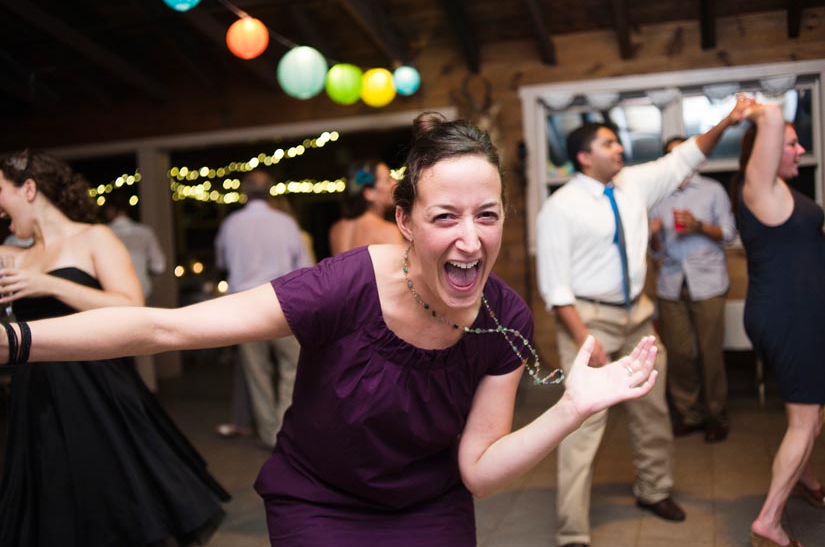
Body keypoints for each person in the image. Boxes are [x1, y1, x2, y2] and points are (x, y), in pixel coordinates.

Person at [0, 114, 660, 546]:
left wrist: (571, 407)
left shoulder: (504, 319)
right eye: (445, 217)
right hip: (320, 504)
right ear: (404, 220)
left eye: (486, 215)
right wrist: (19, 341)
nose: (469, 237)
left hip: (430, 508)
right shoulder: (343, 286)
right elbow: (165, 328)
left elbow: (480, 472)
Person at [536, 97, 752, 547]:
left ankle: (654, 491)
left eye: (618, 143)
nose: (620, 150)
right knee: (582, 423)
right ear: (583, 156)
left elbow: (687, 156)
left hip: (637, 313)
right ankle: (572, 531)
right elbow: (554, 286)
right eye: (609, 143)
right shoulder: (561, 207)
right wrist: (585, 338)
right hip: (588, 317)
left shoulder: (634, 183)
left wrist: (727, 121)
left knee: (652, 409)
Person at [0, 150, 229, 546]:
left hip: (95, 386)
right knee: (51, 500)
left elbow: (130, 306)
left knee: (110, 495)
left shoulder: (95, 238)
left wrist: (51, 284)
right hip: (34, 392)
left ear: (29, 189)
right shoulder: (12, 255)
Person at [735, 102, 824, 547]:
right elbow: (770, 115)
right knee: (804, 420)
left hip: (801, 313)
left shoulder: (786, 196)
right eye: (791, 143)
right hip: (790, 316)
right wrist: (751, 109)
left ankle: (805, 476)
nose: (800, 149)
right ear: (765, 153)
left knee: (810, 409)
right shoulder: (760, 190)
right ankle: (769, 521)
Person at [214, 170, 312, 448]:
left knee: (257, 375)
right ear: (270, 191)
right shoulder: (285, 223)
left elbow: (222, 263)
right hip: (283, 303)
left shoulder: (231, 224)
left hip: (244, 307)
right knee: (292, 367)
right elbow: (303, 267)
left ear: (245, 192)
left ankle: (270, 435)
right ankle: (283, 427)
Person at [649, 136, 737, 443]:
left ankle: (716, 416)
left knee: (710, 354)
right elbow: (656, 253)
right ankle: (689, 414)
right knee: (680, 354)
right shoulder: (659, 196)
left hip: (709, 282)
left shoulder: (712, 190)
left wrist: (700, 226)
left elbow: (727, 233)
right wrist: (655, 237)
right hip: (671, 284)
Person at [105, 190, 167, 391]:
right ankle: (147, 391)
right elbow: (159, 265)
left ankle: (121, 392)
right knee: (144, 346)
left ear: (111, 210)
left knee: (115, 347)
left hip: (111, 296)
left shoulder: (104, 233)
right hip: (141, 293)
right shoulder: (144, 232)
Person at [328, 159, 404, 255]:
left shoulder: (336, 230)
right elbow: (403, 269)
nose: (395, 182)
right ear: (369, 193)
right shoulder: (388, 231)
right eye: (388, 180)